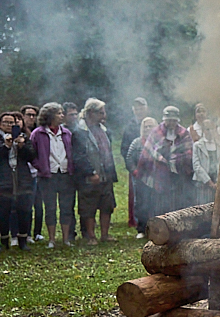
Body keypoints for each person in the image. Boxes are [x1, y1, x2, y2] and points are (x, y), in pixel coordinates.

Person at [72, 98, 117, 245]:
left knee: (107, 206)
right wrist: (90, 172)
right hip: (88, 177)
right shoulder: (79, 132)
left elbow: (109, 152)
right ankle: (91, 236)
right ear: (91, 113)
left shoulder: (104, 130)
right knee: (88, 208)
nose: (104, 115)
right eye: (101, 113)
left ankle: (105, 235)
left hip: (105, 175)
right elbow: (79, 156)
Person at [29, 103, 75, 248]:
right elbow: (32, 153)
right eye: (59, 113)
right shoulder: (38, 133)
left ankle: (66, 239)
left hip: (65, 174)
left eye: (62, 113)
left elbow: (71, 151)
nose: (62, 116)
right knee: (50, 207)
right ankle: (52, 239)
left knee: (66, 207)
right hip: (47, 176)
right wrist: (41, 166)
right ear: (49, 116)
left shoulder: (67, 133)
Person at [136, 106, 195, 216]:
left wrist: (172, 159)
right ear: (164, 120)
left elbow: (188, 154)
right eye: (169, 120)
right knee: (159, 205)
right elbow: (148, 152)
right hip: (159, 174)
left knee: (177, 205)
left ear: (177, 121)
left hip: (178, 176)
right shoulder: (156, 132)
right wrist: (160, 159)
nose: (171, 123)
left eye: (173, 120)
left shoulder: (184, 133)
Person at [0, 112, 37, 251]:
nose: (9, 125)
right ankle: (4, 240)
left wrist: (22, 146)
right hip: (4, 179)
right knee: (3, 211)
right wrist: (6, 146)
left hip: (22, 179)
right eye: (5, 122)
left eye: (12, 123)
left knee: (24, 210)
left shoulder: (23, 137)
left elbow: (32, 156)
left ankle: (23, 240)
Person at [126, 117, 158, 238]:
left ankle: (157, 228)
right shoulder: (137, 142)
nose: (148, 129)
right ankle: (142, 229)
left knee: (157, 203)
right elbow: (129, 159)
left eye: (150, 126)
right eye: (146, 126)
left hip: (157, 178)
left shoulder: (160, 142)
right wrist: (135, 172)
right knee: (141, 203)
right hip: (141, 179)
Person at [192, 116, 220, 205]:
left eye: (212, 129)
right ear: (203, 130)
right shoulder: (197, 146)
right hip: (202, 183)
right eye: (207, 129)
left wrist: (218, 181)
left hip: (217, 183)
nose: (210, 132)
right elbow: (196, 166)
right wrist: (209, 182)